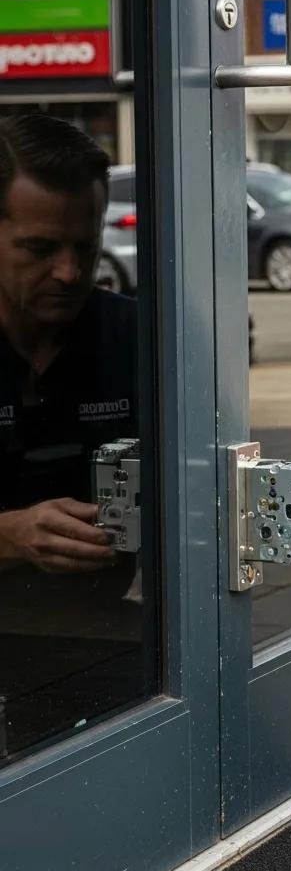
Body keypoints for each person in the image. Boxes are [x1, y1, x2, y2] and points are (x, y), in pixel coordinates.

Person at [0, 112, 139, 756]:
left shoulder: (141, 340)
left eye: (84, 247)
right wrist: (11, 534)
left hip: (105, 644)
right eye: (38, 248)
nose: (67, 272)